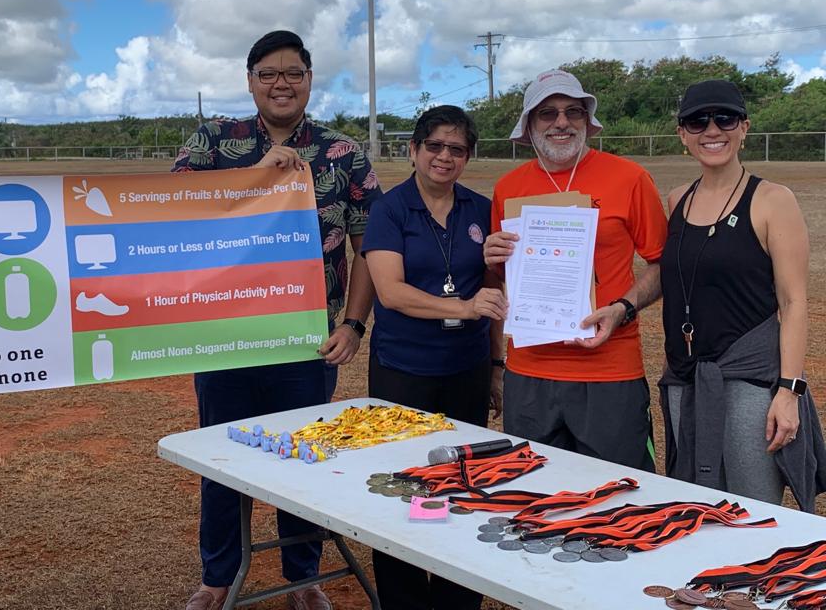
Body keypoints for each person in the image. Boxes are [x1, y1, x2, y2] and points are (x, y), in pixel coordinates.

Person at [171, 30, 380, 610]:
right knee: (222, 458)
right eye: (268, 73)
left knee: (301, 458)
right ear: (250, 81)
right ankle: (219, 577)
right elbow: (172, 217)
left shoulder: (342, 152)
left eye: (293, 73)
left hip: (308, 340)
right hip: (226, 337)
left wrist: (354, 323)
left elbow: (369, 245)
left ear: (310, 80)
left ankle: (303, 576)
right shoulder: (215, 141)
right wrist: (258, 174)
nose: (281, 83)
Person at [484, 69, 667, 471]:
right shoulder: (508, 188)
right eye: (547, 113)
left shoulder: (630, 178)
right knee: (530, 496)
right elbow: (503, 279)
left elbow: (662, 264)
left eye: (573, 112)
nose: (562, 122)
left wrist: (622, 308)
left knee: (620, 497)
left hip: (609, 371)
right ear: (529, 124)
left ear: (587, 121)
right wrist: (492, 258)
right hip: (529, 371)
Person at [362, 105, 506, 610]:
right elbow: (391, 291)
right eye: (435, 146)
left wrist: (496, 365)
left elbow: (494, 292)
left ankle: (456, 598)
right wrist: (462, 306)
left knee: (464, 488)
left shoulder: (482, 209)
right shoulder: (390, 209)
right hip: (404, 371)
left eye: (457, 149)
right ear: (414, 150)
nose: (445, 156)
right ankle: (404, 599)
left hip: (464, 371)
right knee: (405, 489)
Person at [659, 79, 826, 509]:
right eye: (697, 121)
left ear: (745, 127)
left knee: (754, 509)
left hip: (749, 381)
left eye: (724, 118)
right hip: (686, 377)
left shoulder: (772, 200)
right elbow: (673, 281)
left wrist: (789, 391)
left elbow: (792, 303)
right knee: (695, 504)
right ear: (682, 134)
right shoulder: (677, 199)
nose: (711, 130)